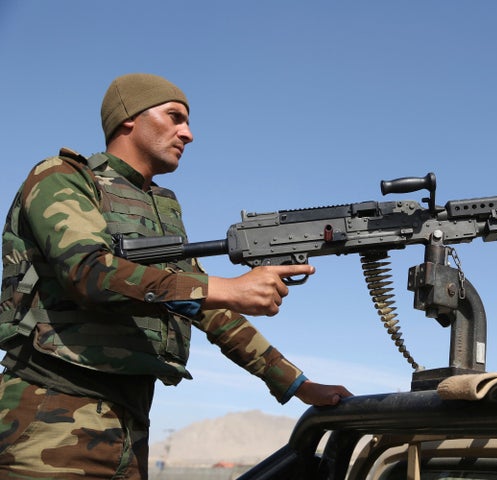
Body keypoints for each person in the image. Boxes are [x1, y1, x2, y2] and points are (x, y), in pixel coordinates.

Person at [0, 73, 352, 479]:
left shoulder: (162, 209)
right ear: (129, 117)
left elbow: (209, 310)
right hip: (47, 419)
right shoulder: (61, 176)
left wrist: (299, 386)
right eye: (174, 117)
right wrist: (224, 288)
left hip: (130, 426)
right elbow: (89, 272)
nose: (188, 134)